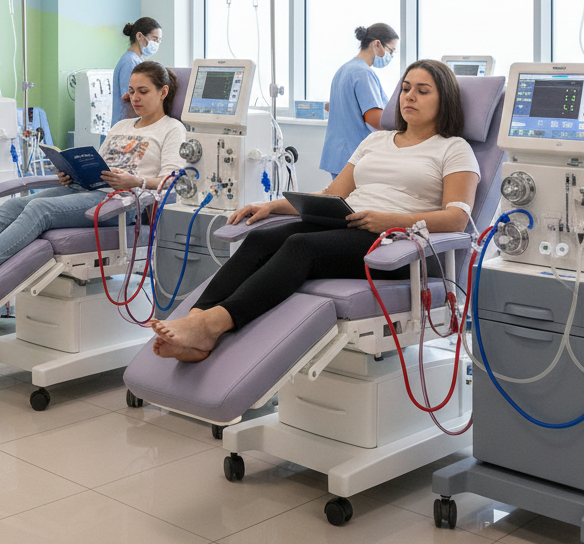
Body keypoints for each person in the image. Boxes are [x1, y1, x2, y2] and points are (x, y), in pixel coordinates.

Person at [150, 60, 479, 363]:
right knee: (261, 240)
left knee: (300, 246)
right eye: (406, 88)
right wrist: (271, 206)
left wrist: (391, 221)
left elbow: (457, 219)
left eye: (423, 91)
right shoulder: (376, 140)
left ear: (444, 101)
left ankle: (213, 324)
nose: (410, 97)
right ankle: (195, 320)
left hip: (396, 245)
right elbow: (333, 194)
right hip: (351, 225)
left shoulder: (453, 148)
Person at [0, 60, 186, 295]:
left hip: (121, 204)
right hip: (88, 190)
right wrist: (70, 171)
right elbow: (100, 164)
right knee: (14, 205)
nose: (135, 97)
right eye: (131, 91)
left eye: (143, 91)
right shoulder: (122, 125)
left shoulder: (172, 129)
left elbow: (171, 179)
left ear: (162, 92)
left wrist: (134, 182)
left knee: (40, 208)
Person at [319, 22, 399, 181]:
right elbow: (374, 119)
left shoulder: (344, 69)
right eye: (391, 50)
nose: (391, 56)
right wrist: (406, 123)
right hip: (353, 156)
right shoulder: (363, 73)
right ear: (377, 44)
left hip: (338, 154)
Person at [112, 17, 162, 126]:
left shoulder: (137, 61)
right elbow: (131, 99)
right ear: (139, 36)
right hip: (126, 125)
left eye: (159, 40)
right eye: (155, 39)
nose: (157, 43)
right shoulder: (129, 62)